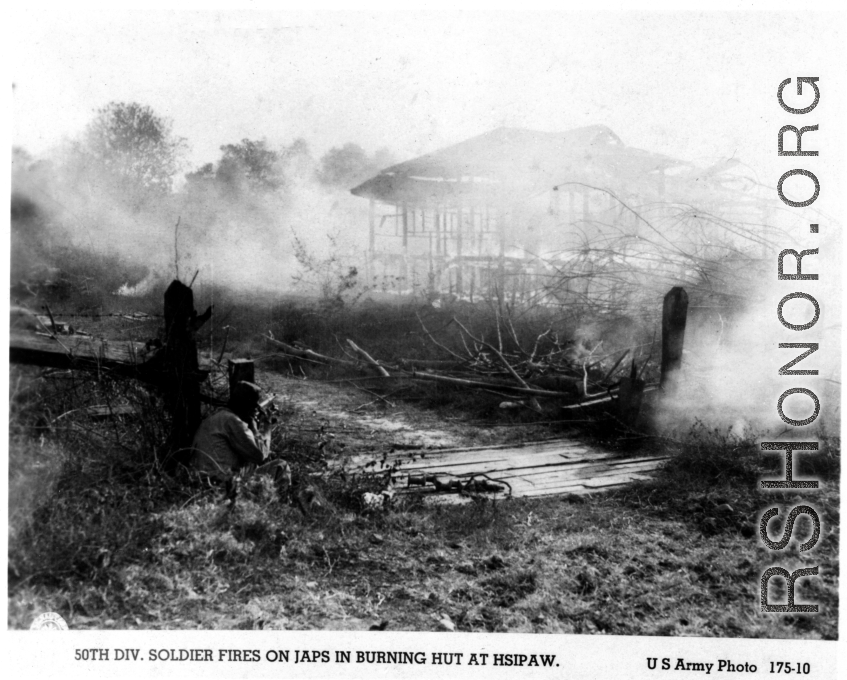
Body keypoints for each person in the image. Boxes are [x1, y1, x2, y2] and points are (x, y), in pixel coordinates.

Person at [190, 381, 291, 500]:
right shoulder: (233, 421)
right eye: (255, 406)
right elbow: (261, 455)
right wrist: (266, 425)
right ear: (248, 406)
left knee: (250, 464)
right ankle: (277, 507)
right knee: (281, 466)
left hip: (202, 487)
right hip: (223, 488)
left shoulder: (217, 418)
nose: (256, 410)